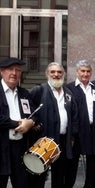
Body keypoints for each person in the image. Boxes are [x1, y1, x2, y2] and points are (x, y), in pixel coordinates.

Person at [29, 62, 79, 188]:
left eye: (59, 72)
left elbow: (74, 116)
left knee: (59, 175)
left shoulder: (68, 93)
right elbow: (28, 110)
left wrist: (72, 136)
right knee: (40, 175)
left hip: (63, 140)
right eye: (53, 72)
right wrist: (34, 124)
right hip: (44, 141)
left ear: (63, 74)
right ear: (47, 74)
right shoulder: (39, 90)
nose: (56, 74)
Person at [0, 57, 38, 188]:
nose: (14, 73)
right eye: (10, 69)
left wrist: (31, 122)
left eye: (18, 70)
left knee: (22, 183)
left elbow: (35, 113)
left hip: (20, 147)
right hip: (2, 146)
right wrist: (19, 124)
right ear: (1, 72)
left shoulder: (24, 93)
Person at [66, 60, 95, 188]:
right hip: (76, 132)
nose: (85, 74)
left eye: (88, 71)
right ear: (77, 72)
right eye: (83, 71)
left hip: (92, 131)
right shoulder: (69, 88)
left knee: (93, 162)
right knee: (72, 163)